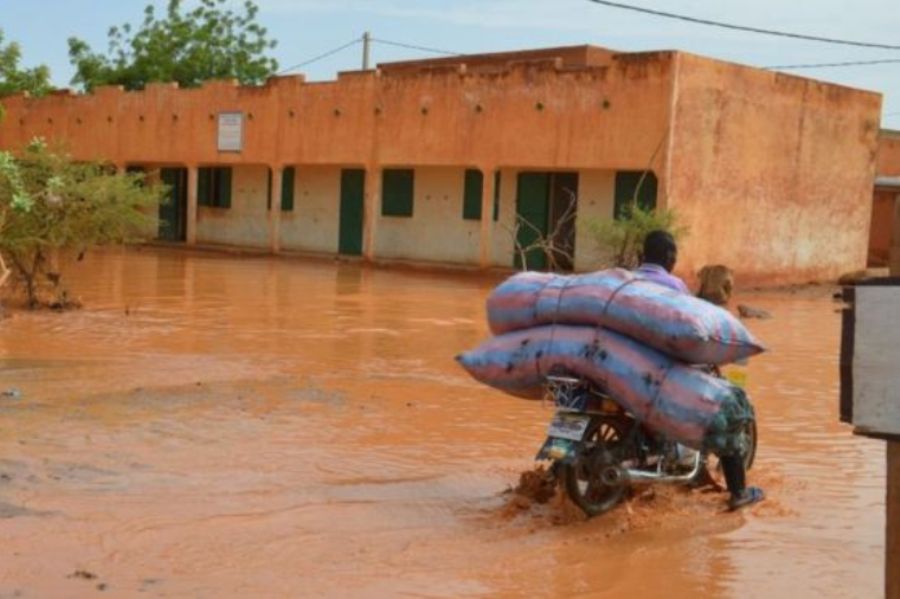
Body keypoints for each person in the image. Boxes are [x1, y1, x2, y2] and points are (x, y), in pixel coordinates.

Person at [635, 230, 765, 511]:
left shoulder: (628, 281)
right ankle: (738, 493)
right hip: (666, 370)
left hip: (633, 366)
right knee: (730, 411)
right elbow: (690, 339)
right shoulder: (681, 291)